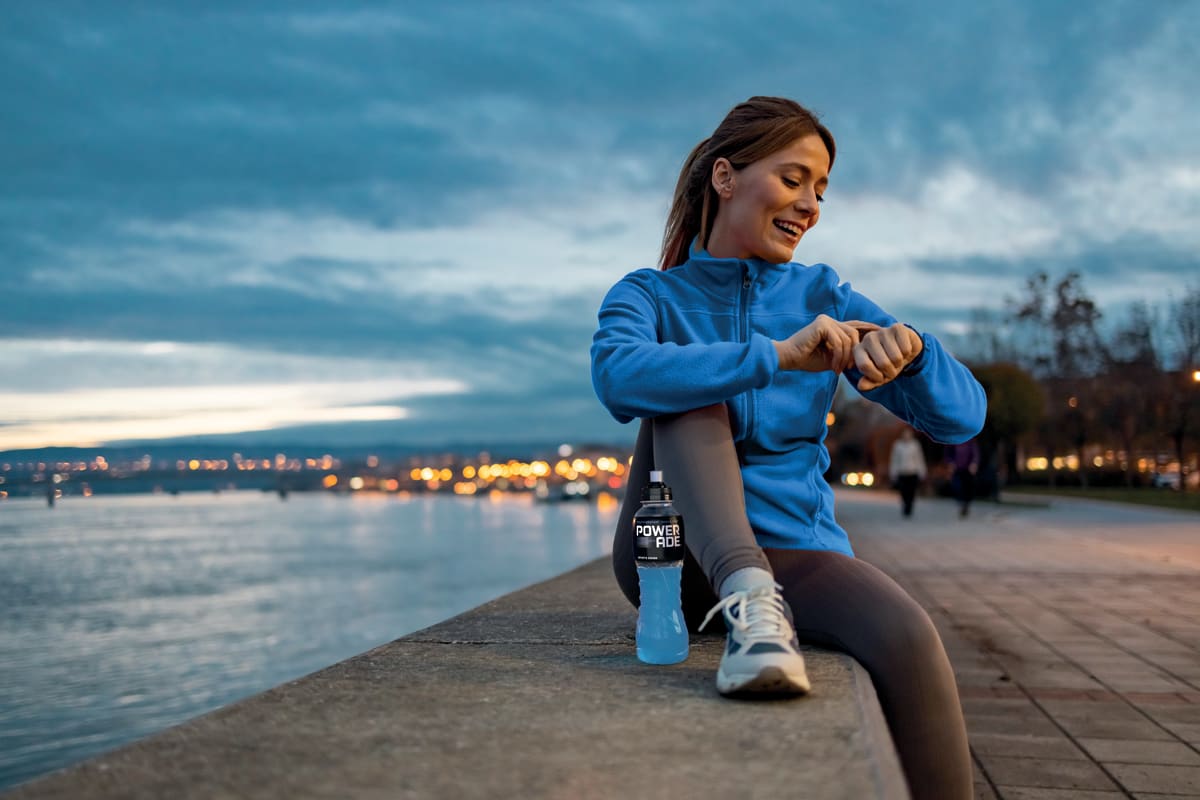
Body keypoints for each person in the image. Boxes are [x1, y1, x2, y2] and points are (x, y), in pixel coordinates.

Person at [590, 97, 986, 800]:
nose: (811, 205)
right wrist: (771, 354)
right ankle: (747, 595)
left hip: (797, 553)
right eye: (794, 178)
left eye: (821, 191)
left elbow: (962, 420)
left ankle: (761, 597)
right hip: (669, 560)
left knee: (910, 638)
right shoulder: (648, 295)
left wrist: (915, 354)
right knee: (686, 380)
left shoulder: (823, 294)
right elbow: (617, 377)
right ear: (725, 177)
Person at [888, 427, 927, 517]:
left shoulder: (915, 445)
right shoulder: (897, 445)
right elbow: (894, 460)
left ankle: (909, 508)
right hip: (902, 472)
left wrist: (922, 471)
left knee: (911, 492)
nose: (907, 435)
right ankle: (905, 505)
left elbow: (919, 459)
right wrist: (893, 472)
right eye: (905, 434)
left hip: (913, 472)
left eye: (908, 434)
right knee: (903, 492)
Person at [946, 437, 981, 517]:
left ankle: (966, 505)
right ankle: (961, 502)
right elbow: (948, 453)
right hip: (956, 468)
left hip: (968, 468)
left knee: (968, 487)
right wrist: (950, 462)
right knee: (957, 486)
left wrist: (974, 463)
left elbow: (975, 453)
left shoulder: (971, 440)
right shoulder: (953, 439)